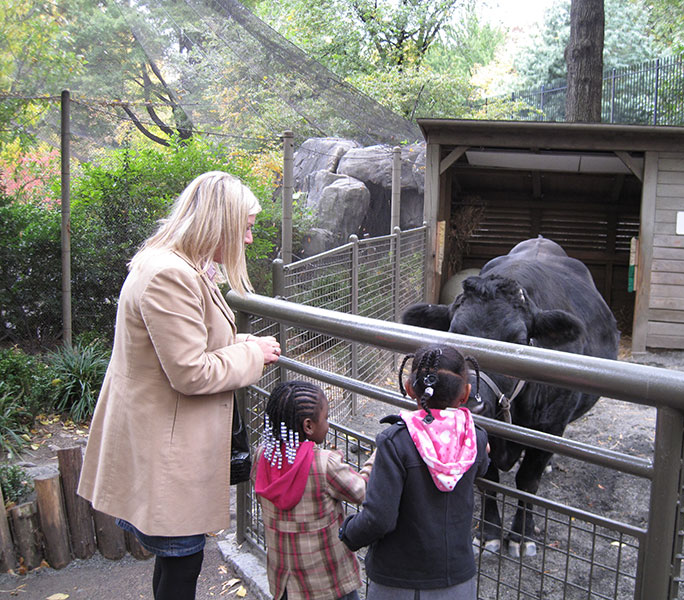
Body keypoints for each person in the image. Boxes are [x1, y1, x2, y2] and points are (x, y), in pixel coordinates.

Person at [77, 171, 282, 600]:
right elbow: (191, 372)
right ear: (221, 222)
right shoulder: (171, 275)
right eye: (245, 227)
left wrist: (241, 342)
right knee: (182, 561)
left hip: (161, 436)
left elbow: (186, 343)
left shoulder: (175, 264)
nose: (248, 240)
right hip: (166, 448)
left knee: (177, 560)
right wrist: (252, 355)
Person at [338, 344, 490, 599]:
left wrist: (348, 532)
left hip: (398, 580)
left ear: (409, 388)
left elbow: (379, 518)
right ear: (465, 393)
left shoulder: (395, 441)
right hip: (456, 577)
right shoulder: (474, 438)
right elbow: (482, 466)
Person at [253, 380, 373, 600]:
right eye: (326, 418)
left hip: (285, 583)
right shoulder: (324, 464)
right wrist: (374, 461)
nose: (328, 424)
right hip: (329, 583)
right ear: (308, 426)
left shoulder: (263, 456)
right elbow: (362, 492)